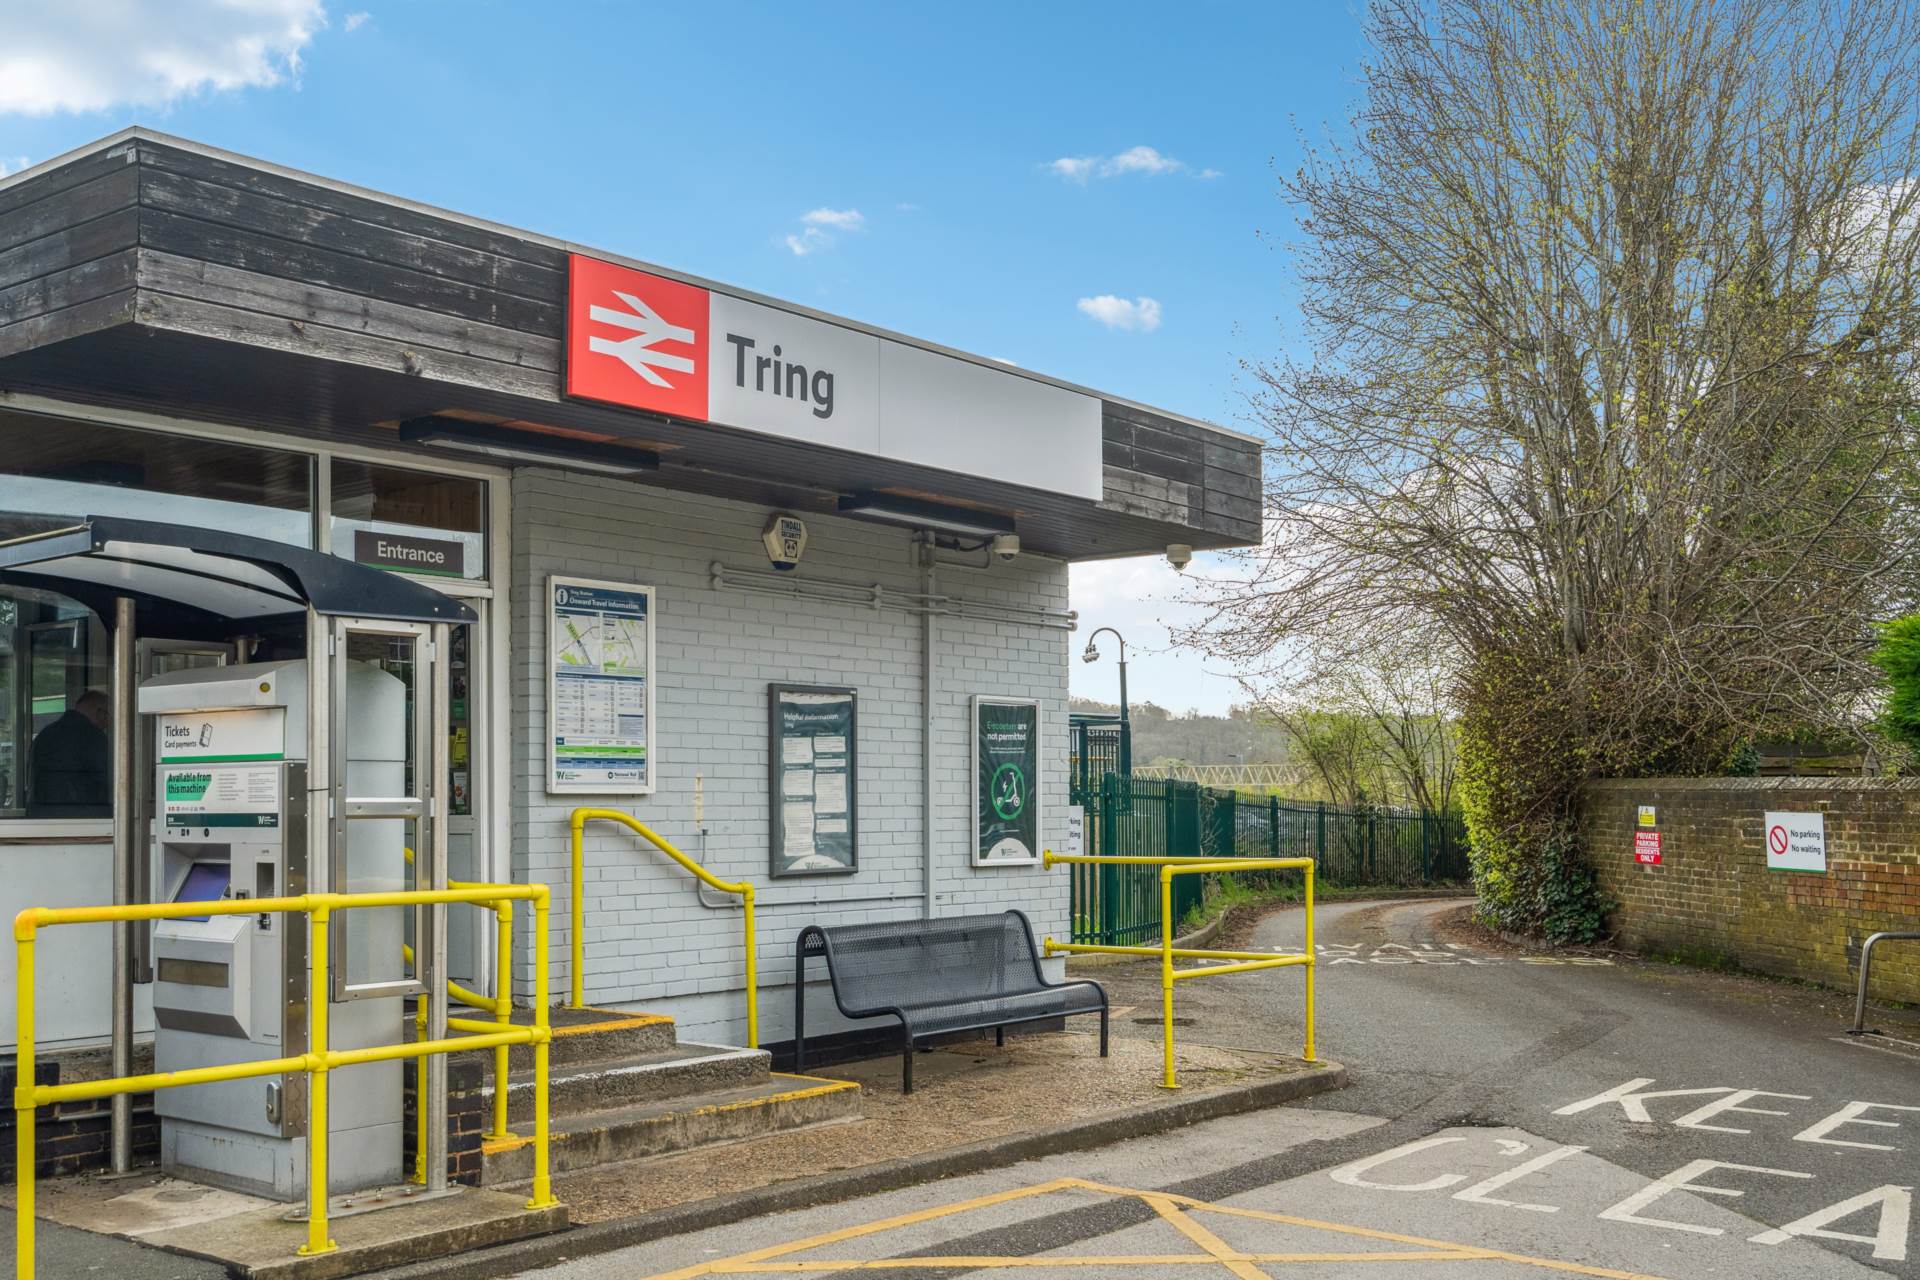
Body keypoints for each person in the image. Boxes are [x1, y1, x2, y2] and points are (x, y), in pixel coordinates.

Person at [28, 688, 110, 818]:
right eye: (108, 715)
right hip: (82, 817)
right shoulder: (93, 736)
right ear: (99, 712)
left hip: (40, 816)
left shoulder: (45, 734)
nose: (108, 723)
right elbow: (106, 781)